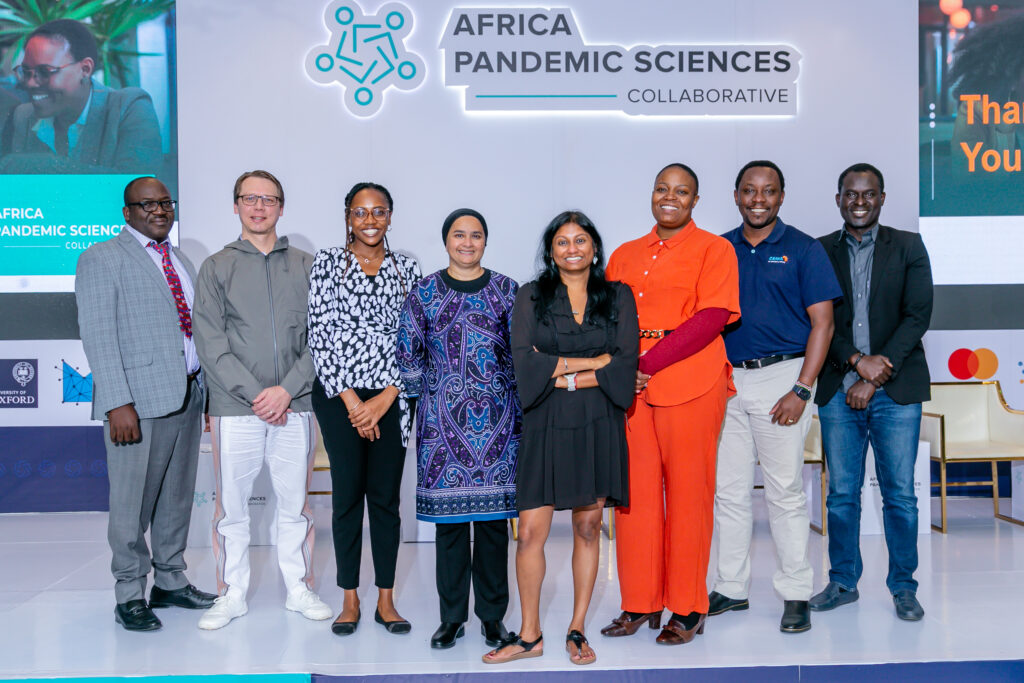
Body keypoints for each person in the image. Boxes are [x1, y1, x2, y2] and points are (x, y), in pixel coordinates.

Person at [483, 211, 638, 666]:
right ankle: (529, 635)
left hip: (597, 423)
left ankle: (576, 628)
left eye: (581, 240)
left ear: (594, 247)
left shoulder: (618, 296)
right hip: (545, 420)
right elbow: (524, 363)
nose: (573, 249)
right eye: (563, 242)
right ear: (551, 251)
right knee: (530, 532)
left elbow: (624, 365)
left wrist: (561, 368)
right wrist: (591, 365)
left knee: (588, 528)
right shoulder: (531, 296)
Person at [602, 163, 740, 645]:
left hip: (690, 384)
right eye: (662, 188)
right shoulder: (623, 254)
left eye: (682, 191)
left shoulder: (714, 249)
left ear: (695, 202)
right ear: (652, 193)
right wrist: (620, 367)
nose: (670, 197)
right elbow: (604, 317)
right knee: (632, 498)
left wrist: (647, 362)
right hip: (632, 391)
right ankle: (639, 602)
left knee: (688, 498)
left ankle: (687, 606)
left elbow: (711, 317)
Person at [192, 170, 331, 629]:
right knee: (232, 507)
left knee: (295, 506)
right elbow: (211, 344)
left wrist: (287, 389)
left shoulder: (308, 265)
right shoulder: (216, 266)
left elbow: (324, 337)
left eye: (268, 199)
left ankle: (298, 588)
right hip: (237, 409)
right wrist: (258, 395)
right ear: (235, 206)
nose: (258, 207)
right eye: (249, 199)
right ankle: (232, 593)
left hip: (298, 405)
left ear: (281, 207)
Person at [75, 177, 215, 631]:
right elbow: (98, 333)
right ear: (127, 212)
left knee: (176, 499)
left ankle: (170, 581)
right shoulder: (101, 258)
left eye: (164, 203)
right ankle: (129, 592)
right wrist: (117, 401)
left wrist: (207, 392)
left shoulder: (180, 258)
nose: (158, 210)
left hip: (188, 394)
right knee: (132, 504)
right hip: (136, 403)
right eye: (146, 204)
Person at [710, 160, 841, 634]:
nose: (758, 199)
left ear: (781, 196)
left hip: (784, 379)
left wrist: (801, 389)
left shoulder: (804, 249)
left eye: (768, 191)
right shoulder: (719, 248)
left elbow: (823, 324)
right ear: (736, 195)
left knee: (784, 493)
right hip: (726, 383)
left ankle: (795, 592)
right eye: (749, 190)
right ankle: (730, 587)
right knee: (729, 492)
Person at [810, 163, 933, 622]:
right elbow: (820, 322)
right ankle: (843, 582)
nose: (858, 202)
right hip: (839, 390)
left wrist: (874, 373)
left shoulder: (909, 246)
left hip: (896, 390)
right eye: (850, 194)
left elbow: (917, 316)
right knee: (842, 494)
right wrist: (856, 363)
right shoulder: (819, 251)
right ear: (838, 198)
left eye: (868, 194)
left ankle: (903, 587)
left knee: (900, 494)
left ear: (882, 198)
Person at [397, 208, 521, 650]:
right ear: (445, 240)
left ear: (485, 241)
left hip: (499, 429)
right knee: (449, 531)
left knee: (491, 530)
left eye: (476, 235)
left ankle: (492, 620)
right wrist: (430, 406)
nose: (467, 242)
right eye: (458, 235)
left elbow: (523, 356)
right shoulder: (424, 293)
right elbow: (408, 356)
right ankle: (451, 619)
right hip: (441, 430)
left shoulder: (508, 291)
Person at [308, 181, 421, 635]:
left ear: (390, 216)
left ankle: (387, 602)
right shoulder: (327, 263)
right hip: (340, 398)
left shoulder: (408, 268)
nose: (370, 220)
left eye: (378, 212)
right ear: (348, 217)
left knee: (386, 501)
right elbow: (319, 335)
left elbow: (416, 340)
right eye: (360, 212)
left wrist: (385, 398)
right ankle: (350, 599)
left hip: (393, 398)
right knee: (347, 497)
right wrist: (356, 404)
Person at [1, 19, 162, 174]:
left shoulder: (129, 107)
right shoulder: (23, 116)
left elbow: (142, 188)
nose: (30, 83)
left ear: (85, 69)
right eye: (26, 72)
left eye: (44, 72)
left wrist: (45, 165)